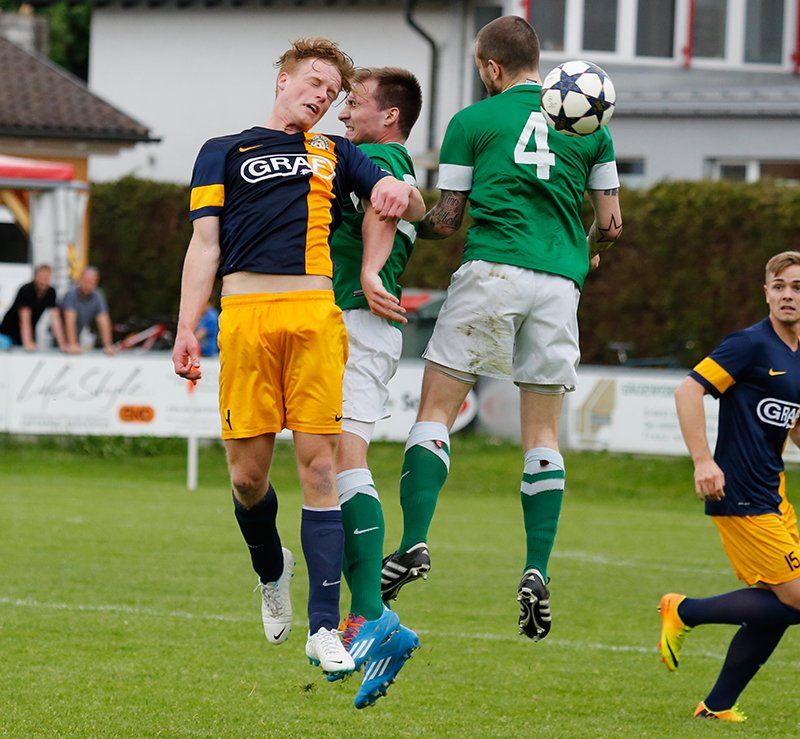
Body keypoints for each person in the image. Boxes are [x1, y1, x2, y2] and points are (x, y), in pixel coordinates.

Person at [171, 38, 423, 680]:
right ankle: (271, 569)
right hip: (245, 317)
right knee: (247, 479)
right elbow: (204, 246)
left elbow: (401, 199)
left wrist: (398, 199)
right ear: (283, 80)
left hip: (314, 317)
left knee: (321, 468)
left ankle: (323, 629)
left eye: (332, 93)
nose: (322, 97)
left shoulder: (337, 151)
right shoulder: (221, 150)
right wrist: (186, 327)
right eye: (314, 82)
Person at [378, 15, 622, 642]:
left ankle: (415, 541)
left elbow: (447, 221)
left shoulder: (473, 121)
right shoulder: (592, 126)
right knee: (541, 433)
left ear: (491, 67)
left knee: (436, 412)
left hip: (492, 271)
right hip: (559, 284)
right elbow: (611, 225)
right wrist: (585, 252)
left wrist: (402, 209)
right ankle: (537, 567)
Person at [659, 251, 800, 723]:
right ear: (766, 293)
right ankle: (685, 611)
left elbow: (794, 427)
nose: (788, 295)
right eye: (779, 286)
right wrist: (703, 460)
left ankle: (716, 706)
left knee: (780, 604)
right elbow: (688, 390)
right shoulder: (750, 345)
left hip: (774, 495)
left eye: (797, 287)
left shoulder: (797, 354)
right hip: (739, 493)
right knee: (795, 599)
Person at [328, 67, 423, 708]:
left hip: (360, 320)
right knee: (332, 461)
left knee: (344, 458)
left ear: (389, 115)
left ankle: (369, 615)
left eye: (354, 103)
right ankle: (373, 621)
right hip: (352, 321)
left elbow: (385, 210)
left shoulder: (384, 160)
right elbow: (411, 207)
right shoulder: (392, 164)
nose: (343, 114)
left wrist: (368, 271)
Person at [0, 264, 68, 352]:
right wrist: (27, 342)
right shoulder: (26, 290)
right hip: (8, 332)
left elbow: (55, 319)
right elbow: (24, 319)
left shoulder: (51, 292)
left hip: (24, 334)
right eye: (41, 276)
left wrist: (63, 345)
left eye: (47, 277)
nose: (44, 280)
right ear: (35, 276)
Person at [61, 266, 116, 355]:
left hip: (75, 338)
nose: (88, 284)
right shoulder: (71, 294)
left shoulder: (98, 295)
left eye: (91, 281)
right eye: (86, 281)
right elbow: (70, 321)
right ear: (80, 280)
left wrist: (108, 345)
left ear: (96, 282)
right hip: (59, 339)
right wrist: (72, 343)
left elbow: (103, 320)